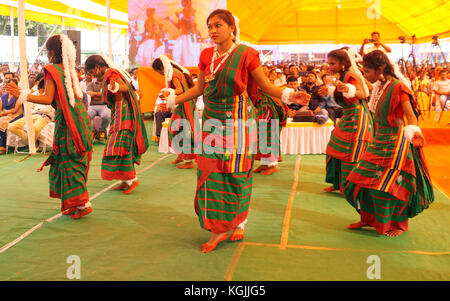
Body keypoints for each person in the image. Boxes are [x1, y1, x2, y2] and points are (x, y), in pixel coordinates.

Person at [161, 9, 309, 253]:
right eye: (209, 27)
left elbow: (264, 85)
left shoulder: (246, 53)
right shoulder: (207, 55)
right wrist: (173, 100)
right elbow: (198, 89)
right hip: (211, 121)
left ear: (231, 28)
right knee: (210, 173)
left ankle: (239, 220)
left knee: (236, 174)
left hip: (240, 123)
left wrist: (287, 94)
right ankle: (219, 227)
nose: (213, 31)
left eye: (218, 25)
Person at [343, 50, 434, 237]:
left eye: (367, 71)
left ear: (380, 69)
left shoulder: (399, 87)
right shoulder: (381, 86)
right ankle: (368, 218)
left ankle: (397, 225)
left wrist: (414, 133)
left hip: (395, 143)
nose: (365, 75)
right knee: (362, 180)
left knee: (390, 186)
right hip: (378, 141)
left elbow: (411, 117)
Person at [6, 35, 93, 219]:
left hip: (68, 119)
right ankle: (76, 203)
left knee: (69, 159)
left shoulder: (52, 70)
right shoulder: (69, 70)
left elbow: (47, 98)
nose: (47, 54)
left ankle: (82, 204)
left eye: (47, 50)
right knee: (74, 158)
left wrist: (22, 95)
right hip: (79, 116)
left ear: (52, 52)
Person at [84, 54, 149, 195]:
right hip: (118, 111)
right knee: (118, 145)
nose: (92, 76)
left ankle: (132, 179)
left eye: (91, 72)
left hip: (124, 111)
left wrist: (115, 86)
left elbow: (125, 88)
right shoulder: (108, 74)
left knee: (121, 145)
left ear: (96, 67)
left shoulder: (110, 73)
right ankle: (125, 180)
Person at [324, 48, 373, 193]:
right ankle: (338, 184)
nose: (330, 67)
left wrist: (347, 89)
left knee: (350, 153)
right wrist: (330, 92)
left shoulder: (350, 76)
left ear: (343, 63)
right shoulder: (342, 77)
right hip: (348, 116)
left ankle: (349, 189)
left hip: (357, 119)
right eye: (329, 63)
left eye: (333, 64)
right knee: (334, 148)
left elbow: (362, 93)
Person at [152, 55, 197, 169]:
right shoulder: (173, 72)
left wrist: (168, 93)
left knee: (181, 130)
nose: (159, 74)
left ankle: (188, 160)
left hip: (184, 104)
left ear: (161, 68)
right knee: (175, 129)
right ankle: (182, 155)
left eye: (158, 72)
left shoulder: (174, 74)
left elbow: (180, 90)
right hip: (182, 103)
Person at [7, 76, 55, 146]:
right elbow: (29, 108)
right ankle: (31, 142)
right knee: (11, 126)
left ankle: (31, 143)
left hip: (44, 117)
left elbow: (50, 110)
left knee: (35, 128)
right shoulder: (33, 94)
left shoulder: (50, 96)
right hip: (31, 115)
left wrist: (39, 110)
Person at [0, 78, 23, 154]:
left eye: (13, 86)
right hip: (6, 115)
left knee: (2, 121)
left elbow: (15, 110)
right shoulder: (4, 96)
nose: (11, 88)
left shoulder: (19, 95)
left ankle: (2, 145)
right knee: (2, 120)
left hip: (16, 115)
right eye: (9, 86)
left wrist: (3, 113)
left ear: (17, 86)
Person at [87, 75, 111, 142]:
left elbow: (107, 94)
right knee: (87, 115)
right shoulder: (91, 84)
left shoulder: (107, 84)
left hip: (104, 105)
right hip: (92, 106)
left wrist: (95, 94)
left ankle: (102, 131)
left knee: (107, 116)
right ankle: (92, 132)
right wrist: (101, 94)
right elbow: (90, 94)